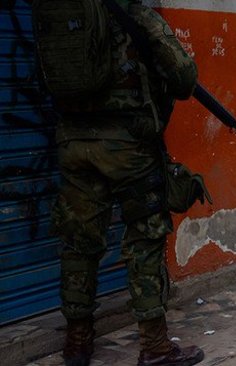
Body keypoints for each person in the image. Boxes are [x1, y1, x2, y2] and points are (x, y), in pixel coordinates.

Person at [41, 1, 204, 365]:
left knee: (78, 240)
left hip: (72, 143)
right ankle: (156, 348)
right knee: (144, 239)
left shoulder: (66, 17)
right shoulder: (135, 12)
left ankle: (77, 343)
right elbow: (184, 77)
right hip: (127, 147)